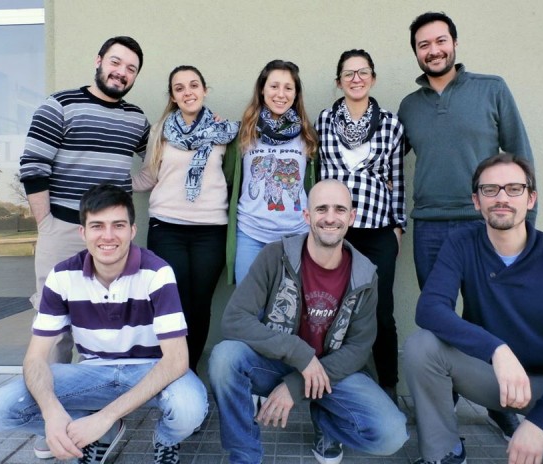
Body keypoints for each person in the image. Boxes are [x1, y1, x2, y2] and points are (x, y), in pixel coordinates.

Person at [403, 153, 543, 464]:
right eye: (490, 190)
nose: (502, 198)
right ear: (476, 201)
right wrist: (496, 349)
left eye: (514, 189)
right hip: (492, 377)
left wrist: (539, 424)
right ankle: (444, 454)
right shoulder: (462, 243)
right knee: (422, 347)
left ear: (530, 199)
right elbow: (430, 309)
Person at [0, 184, 208, 464]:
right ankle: (92, 433)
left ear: (132, 231)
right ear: (83, 232)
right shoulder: (62, 276)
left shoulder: (157, 273)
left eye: (118, 225)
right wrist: (52, 413)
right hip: (92, 373)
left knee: (189, 410)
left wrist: (105, 416)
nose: (108, 236)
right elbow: (35, 358)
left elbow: (176, 360)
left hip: (150, 369)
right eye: (97, 226)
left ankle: (164, 439)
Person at [397, 11, 533, 436]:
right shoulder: (409, 106)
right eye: (424, 44)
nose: (433, 50)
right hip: (431, 226)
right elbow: (384, 160)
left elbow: (519, 154)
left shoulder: (492, 89)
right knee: (439, 317)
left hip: (484, 224)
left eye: (440, 41)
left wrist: (525, 222)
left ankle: (496, 402)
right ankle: (445, 400)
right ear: (416, 52)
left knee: (488, 316)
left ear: (454, 43)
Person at [209, 179, 408, 464]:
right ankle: (244, 455)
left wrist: (296, 385)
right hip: (276, 362)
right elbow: (234, 319)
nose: (330, 218)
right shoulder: (275, 256)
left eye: (340, 209)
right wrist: (300, 355)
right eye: (321, 209)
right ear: (307, 215)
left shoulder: (365, 275)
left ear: (351, 217)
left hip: (332, 372)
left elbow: (358, 348)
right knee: (225, 358)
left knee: (392, 434)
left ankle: (324, 418)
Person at [19, 36, 150, 365]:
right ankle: (49, 395)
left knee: (111, 322)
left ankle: (101, 398)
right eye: (115, 62)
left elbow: (161, 158)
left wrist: (126, 184)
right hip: (62, 229)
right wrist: (46, 224)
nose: (121, 72)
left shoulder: (136, 119)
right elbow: (33, 166)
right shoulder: (60, 105)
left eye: (131, 69)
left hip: (111, 236)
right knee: (54, 326)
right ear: (99, 60)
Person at [133, 65, 239, 372]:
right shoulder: (160, 131)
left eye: (193, 85)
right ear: (173, 96)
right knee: (173, 303)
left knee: (199, 305)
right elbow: (148, 177)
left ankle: (188, 372)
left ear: (205, 90)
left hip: (211, 231)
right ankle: (171, 370)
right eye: (179, 88)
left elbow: (231, 179)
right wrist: (112, 183)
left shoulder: (224, 132)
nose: (187, 92)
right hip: (167, 228)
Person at [315, 49, 406, 399]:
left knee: (381, 311)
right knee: (332, 308)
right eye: (348, 73)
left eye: (363, 72)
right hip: (334, 232)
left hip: (377, 229)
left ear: (373, 78)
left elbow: (397, 178)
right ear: (339, 81)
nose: (356, 79)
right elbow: (318, 173)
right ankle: (333, 386)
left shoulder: (391, 124)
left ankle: (388, 386)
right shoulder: (324, 121)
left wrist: (397, 227)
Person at [227, 59, 318, 285]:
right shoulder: (244, 133)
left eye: (288, 88)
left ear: (296, 94)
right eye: (274, 86)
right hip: (250, 235)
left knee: (289, 303)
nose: (281, 94)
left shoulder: (307, 136)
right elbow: (227, 178)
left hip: (296, 236)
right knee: (248, 302)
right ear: (262, 89)